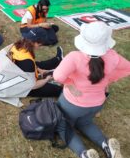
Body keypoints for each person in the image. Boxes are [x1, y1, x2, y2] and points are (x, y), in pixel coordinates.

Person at [53, 22, 130, 158]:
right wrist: (108, 80)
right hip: (96, 104)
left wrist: (70, 84)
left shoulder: (74, 57)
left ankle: (84, 154)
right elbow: (127, 68)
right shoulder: (113, 56)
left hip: (72, 104)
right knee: (86, 122)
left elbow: (58, 76)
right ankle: (106, 145)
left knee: (64, 126)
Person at [9, 30, 63, 98]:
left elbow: (29, 64)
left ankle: (57, 59)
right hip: (23, 87)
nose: (41, 46)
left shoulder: (16, 46)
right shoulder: (28, 62)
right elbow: (33, 86)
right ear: (36, 43)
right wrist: (46, 80)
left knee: (38, 64)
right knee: (57, 90)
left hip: (15, 73)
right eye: (41, 44)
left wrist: (40, 70)